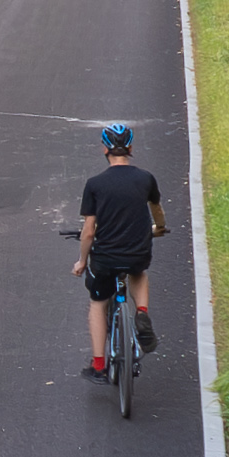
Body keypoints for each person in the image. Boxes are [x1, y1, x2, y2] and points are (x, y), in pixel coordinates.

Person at [75, 121, 165, 376]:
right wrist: (159, 227)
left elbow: (89, 231)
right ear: (130, 147)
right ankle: (142, 313)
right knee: (139, 272)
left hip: (105, 258)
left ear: (105, 149)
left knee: (97, 302)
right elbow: (156, 210)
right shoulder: (145, 178)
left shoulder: (95, 184)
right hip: (137, 251)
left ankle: (99, 365)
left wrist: (82, 261)